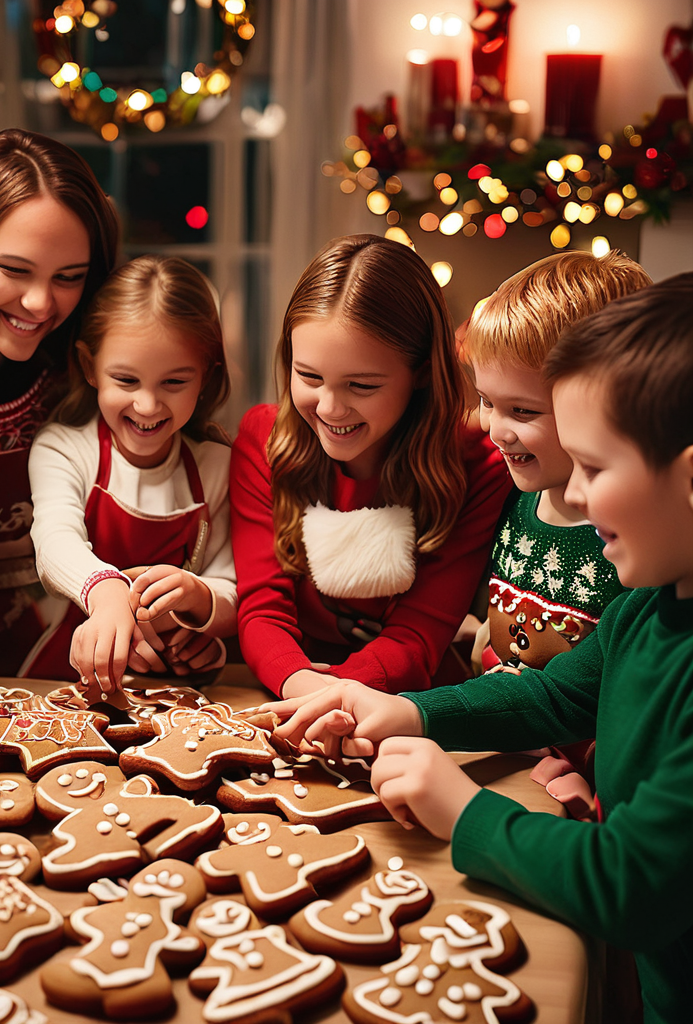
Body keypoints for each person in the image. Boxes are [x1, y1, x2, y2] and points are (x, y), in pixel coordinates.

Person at [269, 274, 693, 1024]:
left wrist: (461, 810)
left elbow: (632, 886)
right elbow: (552, 694)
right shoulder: (645, 608)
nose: (580, 499)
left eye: (596, 468)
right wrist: (402, 711)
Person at [229, 234, 511, 698]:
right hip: (284, 694)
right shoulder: (263, 440)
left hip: (405, 709)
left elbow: (417, 639)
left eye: (361, 385)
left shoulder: (476, 465)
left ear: (420, 372)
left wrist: (330, 695)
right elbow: (262, 610)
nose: (330, 408)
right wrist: (301, 686)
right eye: (310, 377)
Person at [0, 128, 120, 675]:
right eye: (14, 270)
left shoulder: (84, 379)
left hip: (34, 664)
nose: (39, 302)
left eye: (69, 277)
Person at [466, 251, 650, 817]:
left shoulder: (638, 542)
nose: (496, 429)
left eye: (522, 409)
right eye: (485, 401)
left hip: (577, 783)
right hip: (500, 742)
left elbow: (616, 699)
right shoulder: (515, 496)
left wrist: (588, 772)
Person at [24, 255, 237, 695]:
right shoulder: (64, 449)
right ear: (89, 368)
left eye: (174, 382)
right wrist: (107, 596)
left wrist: (200, 609)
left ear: (206, 377)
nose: (147, 405)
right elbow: (54, 543)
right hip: (64, 678)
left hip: (180, 690)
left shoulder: (217, 466)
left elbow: (232, 586)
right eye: (126, 380)